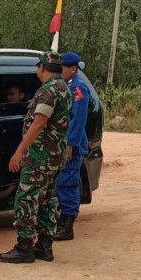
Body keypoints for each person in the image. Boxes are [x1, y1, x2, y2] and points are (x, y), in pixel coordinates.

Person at [0, 52, 71, 264]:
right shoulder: (63, 87)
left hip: (41, 156)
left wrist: (20, 151)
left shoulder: (49, 90)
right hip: (55, 156)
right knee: (48, 200)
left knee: (26, 198)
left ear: (42, 67)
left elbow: (39, 123)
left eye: (38, 67)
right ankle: (44, 246)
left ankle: (24, 248)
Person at [56, 52, 90, 241]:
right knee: (60, 183)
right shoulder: (62, 87)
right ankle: (61, 222)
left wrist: (70, 144)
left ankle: (67, 225)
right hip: (60, 142)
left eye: (62, 68)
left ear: (72, 69)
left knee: (67, 182)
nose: (59, 71)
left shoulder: (78, 89)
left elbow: (77, 120)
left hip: (71, 144)